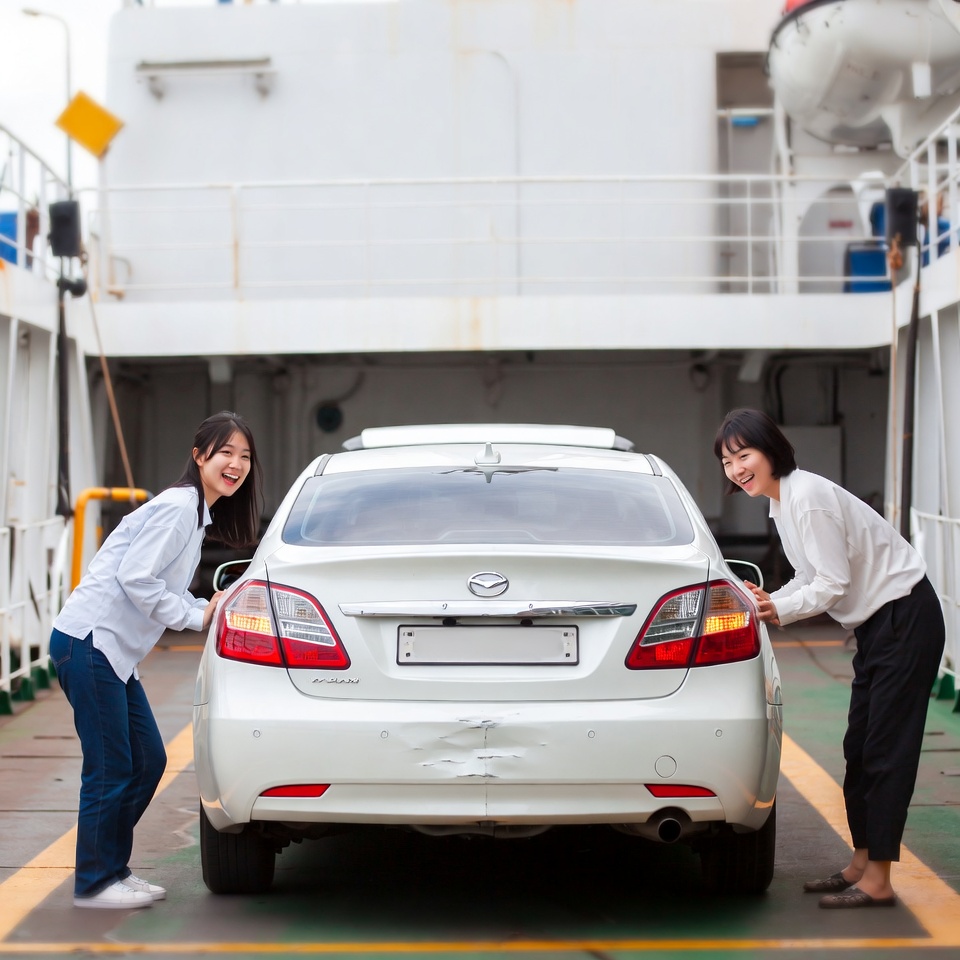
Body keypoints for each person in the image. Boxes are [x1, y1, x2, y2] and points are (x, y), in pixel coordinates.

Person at [714, 408, 945, 910]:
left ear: (771, 450)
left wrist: (779, 608)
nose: (736, 469)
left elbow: (832, 584)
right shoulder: (783, 503)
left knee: (885, 749)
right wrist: (770, 599)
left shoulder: (809, 498)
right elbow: (810, 575)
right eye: (728, 462)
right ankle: (862, 863)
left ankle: (880, 880)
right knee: (858, 747)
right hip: (878, 626)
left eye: (744, 455)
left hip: (904, 618)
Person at [50, 411, 263, 909]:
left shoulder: (196, 513)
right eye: (225, 452)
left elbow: (155, 586)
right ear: (199, 456)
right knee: (111, 768)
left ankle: (113, 870)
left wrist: (198, 609)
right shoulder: (179, 506)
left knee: (147, 761)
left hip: (113, 653)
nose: (235, 464)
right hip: (90, 642)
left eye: (245, 456)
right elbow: (135, 578)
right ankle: (94, 883)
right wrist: (197, 617)